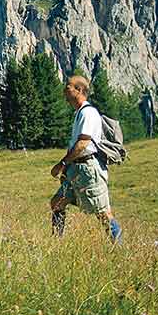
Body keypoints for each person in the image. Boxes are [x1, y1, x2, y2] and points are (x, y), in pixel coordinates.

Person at [49, 75, 122, 242]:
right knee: (57, 203)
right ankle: (56, 243)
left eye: (68, 87)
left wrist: (62, 164)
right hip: (77, 170)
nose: (64, 91)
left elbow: (83, 143)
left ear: (79, 90)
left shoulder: (88, 112)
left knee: (103, 213)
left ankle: (119, 248)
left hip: (88, 169)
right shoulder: (80, 113)